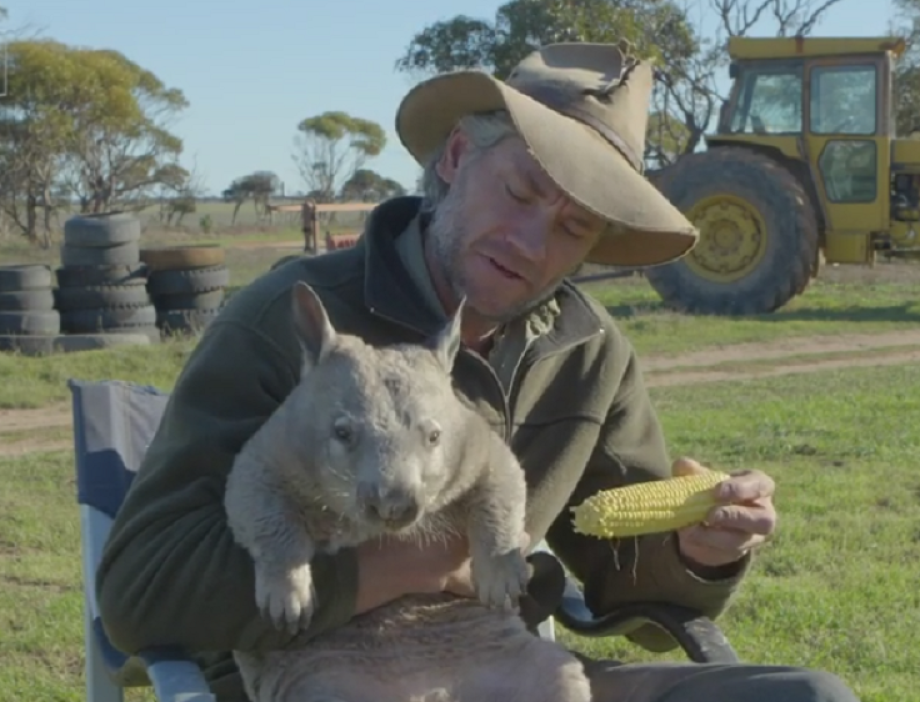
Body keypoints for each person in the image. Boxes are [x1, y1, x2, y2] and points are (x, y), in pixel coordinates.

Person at [95, 40, 859, 702]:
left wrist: (699, 549)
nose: (530, 241)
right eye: (521, 190)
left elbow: (626, 578)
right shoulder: (288, 331)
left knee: (809, 696)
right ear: (458, 156)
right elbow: (140, 592)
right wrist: (404, 562)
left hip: (501, 670)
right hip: (323, 674)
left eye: (574, 226)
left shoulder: (587, 353)